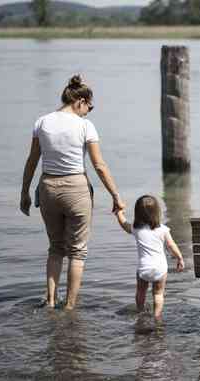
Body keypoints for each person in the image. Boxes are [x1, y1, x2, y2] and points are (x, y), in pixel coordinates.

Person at [20, 74, 125, 309]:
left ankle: (49, 302)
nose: (89, 111)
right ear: (80, 100)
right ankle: (69, 307)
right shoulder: (85, 126)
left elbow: (32, 160)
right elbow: (99, 165)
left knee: (56, 248)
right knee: (77, 253)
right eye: (90, 106)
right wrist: (115, 195)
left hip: (48, 188)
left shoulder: (42, 122)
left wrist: (24, 192)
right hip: (76, 190)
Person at [115, 195, 185, 319]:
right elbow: (171, 245)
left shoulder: (136, 229)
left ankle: (140, 311)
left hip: (144, 268)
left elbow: (124, 224)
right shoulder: (163, 230)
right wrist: (179, 258)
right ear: (157, 212)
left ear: (137, 213)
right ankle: (157, 316)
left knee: (141, 292)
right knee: (158, 294)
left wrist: (119, 213)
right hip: (160, 269)